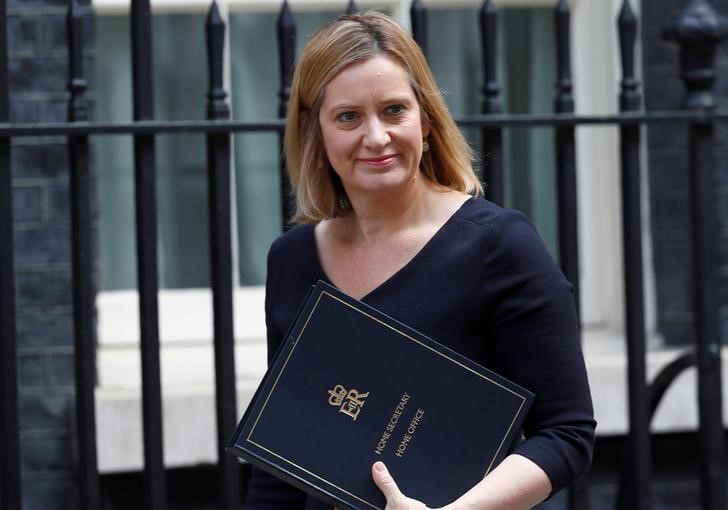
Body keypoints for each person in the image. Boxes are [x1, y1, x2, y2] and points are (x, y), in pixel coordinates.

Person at [245, 10, 595, 510]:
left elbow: (567, 432)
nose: (376, 137)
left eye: (393, 111)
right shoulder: (292, 260)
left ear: (425, 120)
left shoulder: (499, 246)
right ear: (314, 130)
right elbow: (280, 464)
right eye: (348, 116)